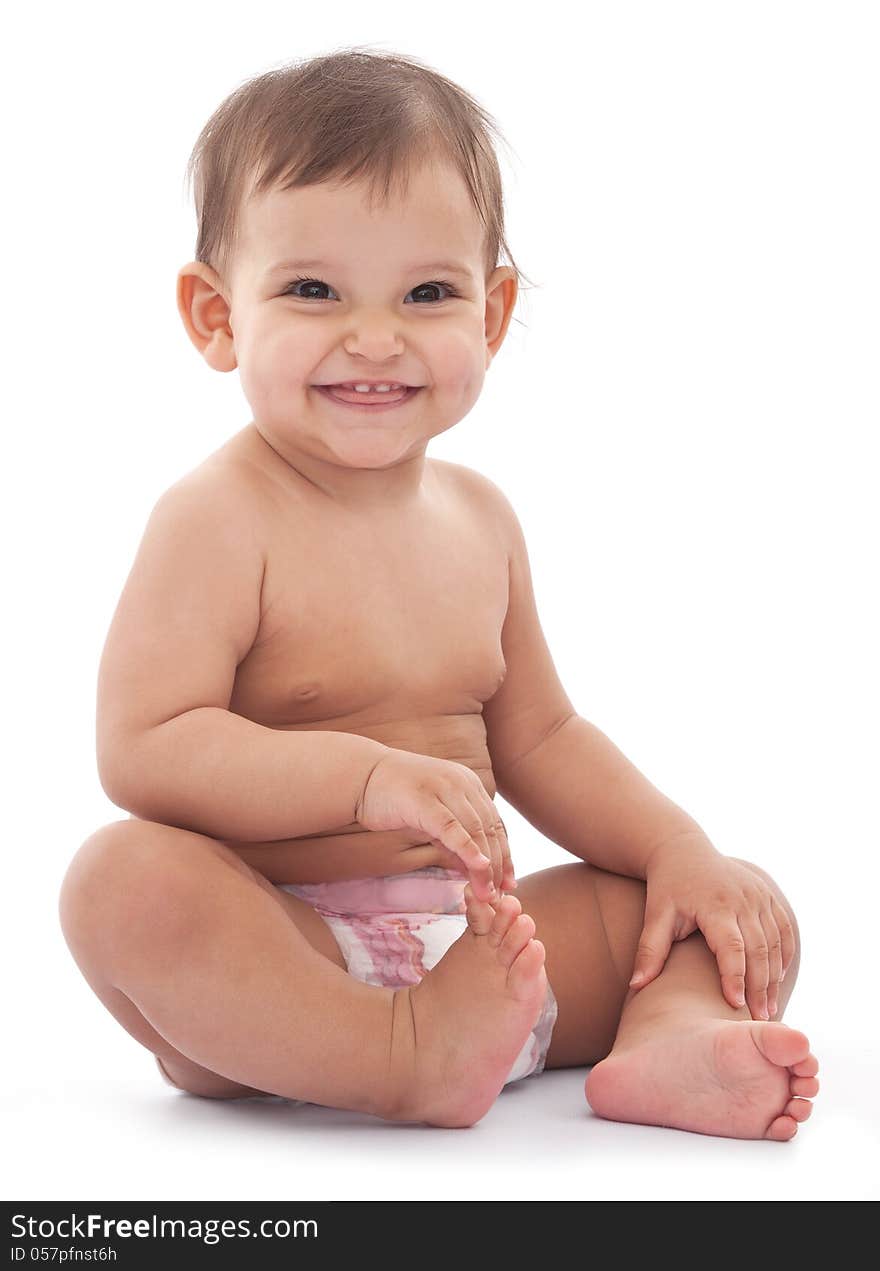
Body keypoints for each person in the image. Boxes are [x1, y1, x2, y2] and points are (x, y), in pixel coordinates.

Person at [58, 46, 819, 1138]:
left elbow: (544, 737)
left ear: (492, 316)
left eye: (426, 292)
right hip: (286, 953)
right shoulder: (217, 519)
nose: (375, 336)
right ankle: (391, 1056)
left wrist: (673, 848)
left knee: (726, 902)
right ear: (217, 316)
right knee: (119, 883)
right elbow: (145, 747)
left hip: (484, 940)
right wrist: (362, 778)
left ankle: (663, 1046)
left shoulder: (480, 520)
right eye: (313, 290)